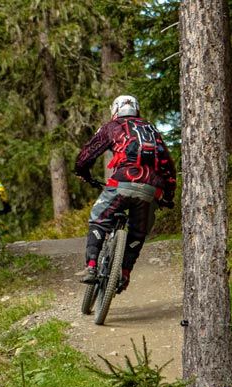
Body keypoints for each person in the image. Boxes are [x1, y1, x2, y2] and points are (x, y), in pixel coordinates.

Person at [74, 95, 176, 292]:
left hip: (121, 182)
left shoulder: (112, 127)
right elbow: (167, 165)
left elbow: (87, 155)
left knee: (99, 218)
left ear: (115, 110)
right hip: (150, 189)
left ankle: (92, 267)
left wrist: (82, 172)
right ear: (137, 109)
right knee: (138, 232)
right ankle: (125, 273)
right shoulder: (151, 129)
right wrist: (168, 196)